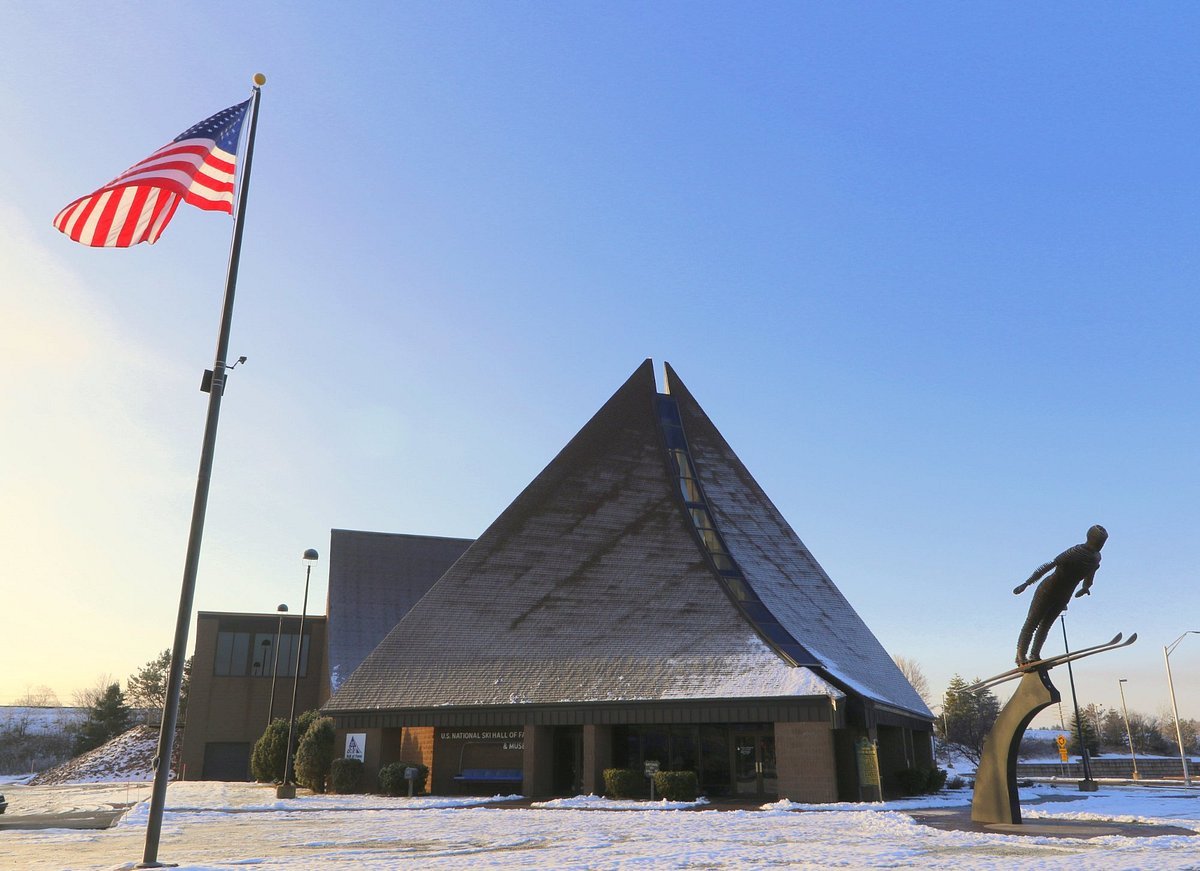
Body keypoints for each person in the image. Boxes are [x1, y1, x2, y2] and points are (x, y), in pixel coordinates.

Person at [1013, 525, 1107, 666]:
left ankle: (1034, 654)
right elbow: (1049, 565)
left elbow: (1090, 574)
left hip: (1064, 595)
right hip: (1048, 590)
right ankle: (1020, 656)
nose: (1101, 545)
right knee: (1032, 623)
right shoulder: (1075, 551)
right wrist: (1026, 583)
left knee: (1046, 626)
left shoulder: (1096, 558)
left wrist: (1085, 587)